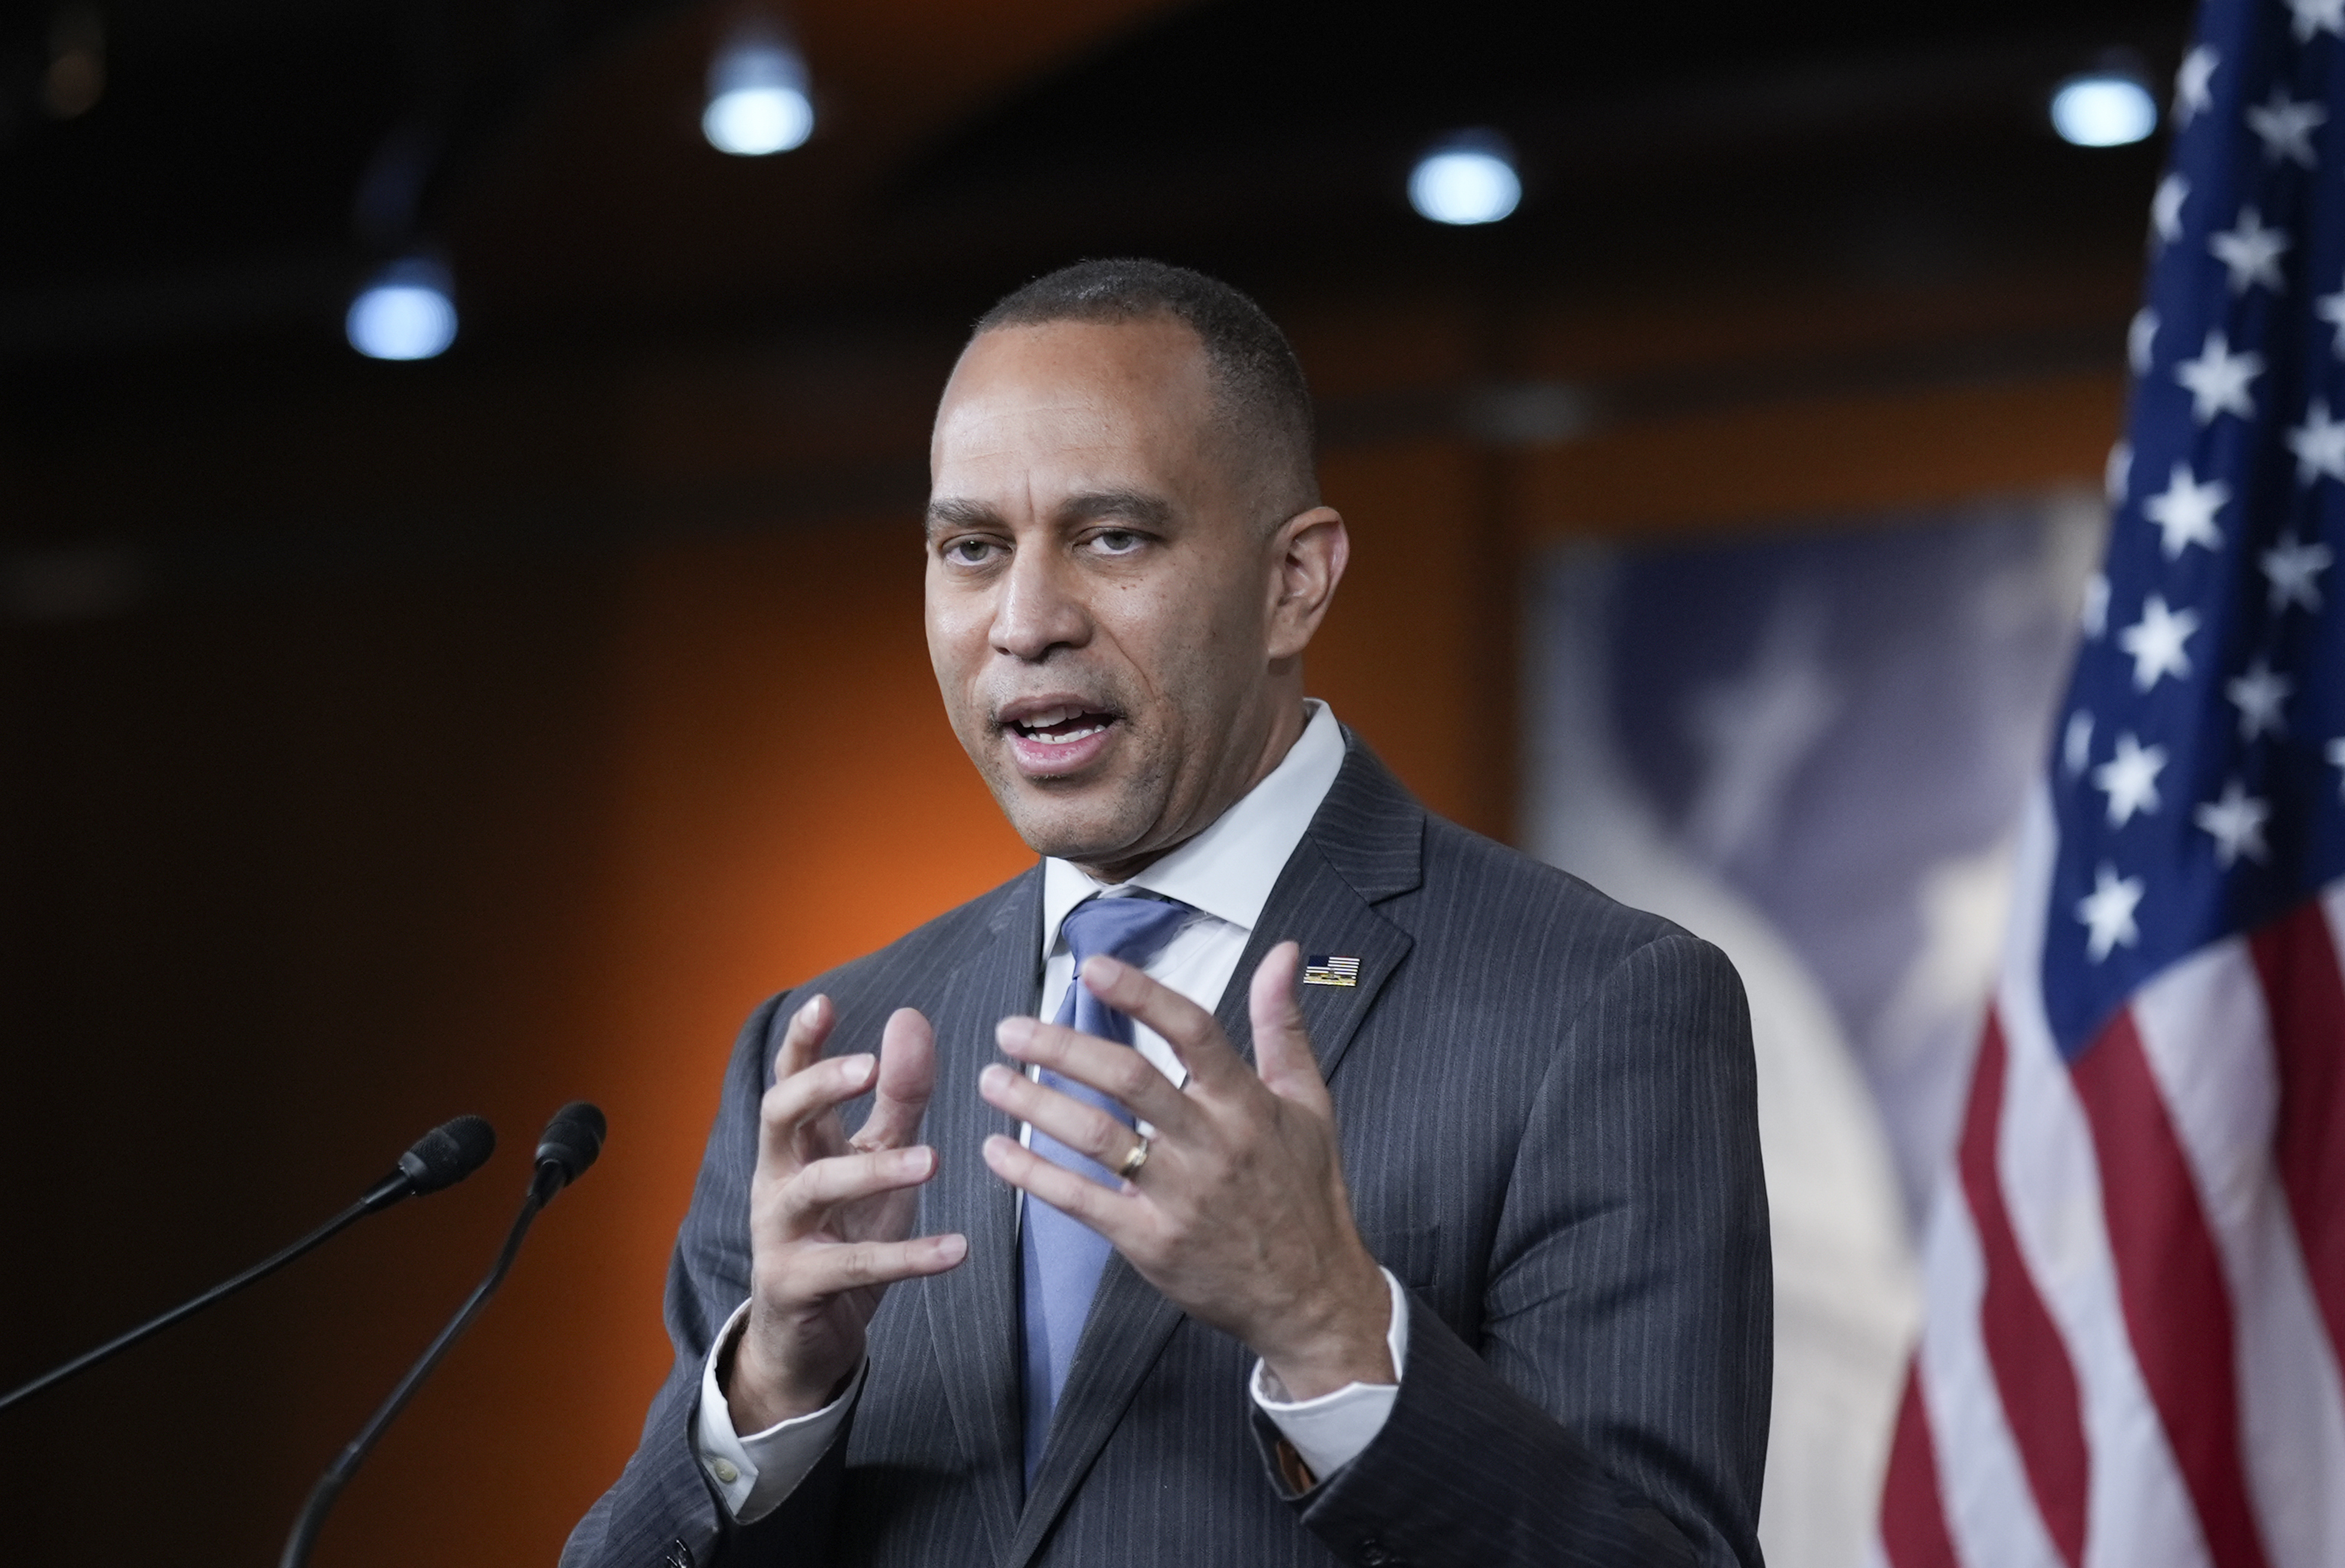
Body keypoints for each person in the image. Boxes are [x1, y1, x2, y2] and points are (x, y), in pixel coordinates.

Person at [562, 259, 1770, 1568]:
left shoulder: (1599, 1002)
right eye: (972, 548)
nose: (1024, 622)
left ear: (1293, 582)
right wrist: (770, 1402)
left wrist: (1331, 1332)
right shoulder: (825, 1052)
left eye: (1112, 537)